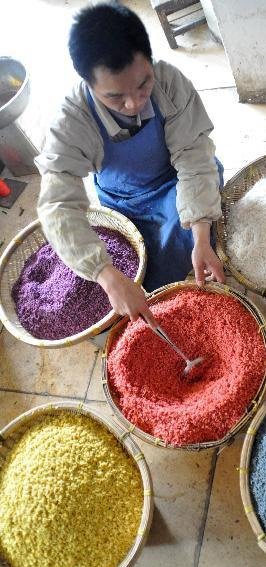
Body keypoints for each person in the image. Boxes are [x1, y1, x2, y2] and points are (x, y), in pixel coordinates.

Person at [35, 1, 225, 325]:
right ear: (88, 85)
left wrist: (202, 235)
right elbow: (57, 207)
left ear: (150, 61)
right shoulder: (70, 121)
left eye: (143, 84)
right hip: (124, 201)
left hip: (173, 181)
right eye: (114, 97)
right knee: (138, 269)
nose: (134, 103)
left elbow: (193, 156)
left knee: (188, 229)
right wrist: (106, 276)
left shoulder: (168, 82)